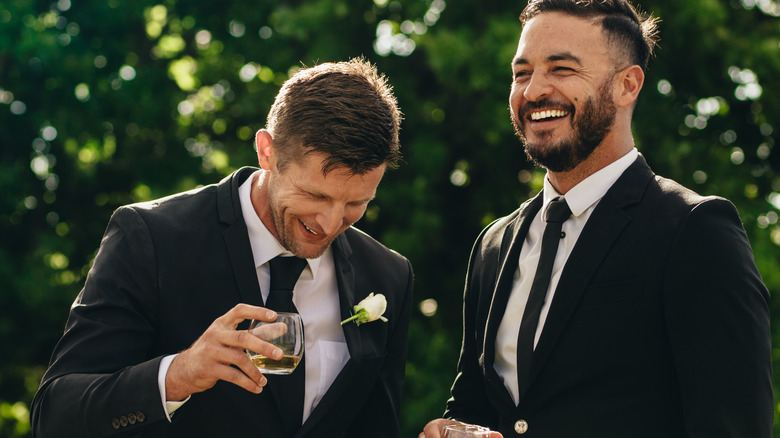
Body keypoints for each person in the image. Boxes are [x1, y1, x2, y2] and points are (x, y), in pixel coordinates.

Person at [422, 1, 772, 437]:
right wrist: (452, 429)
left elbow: (733, 426)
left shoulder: (696, 230)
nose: (532, 91)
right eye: (521, 72)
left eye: (562, 69)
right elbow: (477, 406)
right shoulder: (494, 245)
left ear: (627, 85)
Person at [31, 58, 414, 438]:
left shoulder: (388, 275)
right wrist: (177, 375)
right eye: (314, 194)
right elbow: (55, 415)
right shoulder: (150, 238)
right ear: (267, 152)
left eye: (355, 204)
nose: (331, 224)